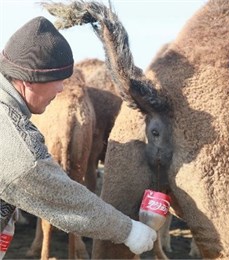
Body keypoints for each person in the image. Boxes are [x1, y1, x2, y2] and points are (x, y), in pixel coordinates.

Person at [0, 16, 156, 258]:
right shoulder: (18, 145)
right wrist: (129, 231)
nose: (61, 89)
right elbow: (62, 197)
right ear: (30, 80)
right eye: (57, 81)